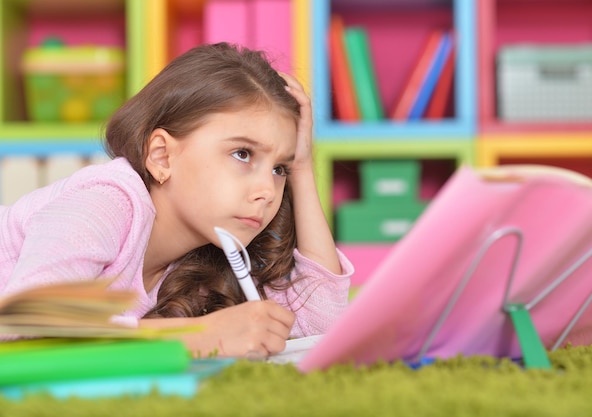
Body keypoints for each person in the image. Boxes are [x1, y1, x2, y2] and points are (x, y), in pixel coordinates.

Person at [0, 43, 353, 358]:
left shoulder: (205, 260)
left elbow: (316, 324)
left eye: (279, 169)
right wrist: (196, 337)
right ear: (162, 156)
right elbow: (28, 322)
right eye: (242, 153)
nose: (266, 190)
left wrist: (302, 168)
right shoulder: (105, 202)